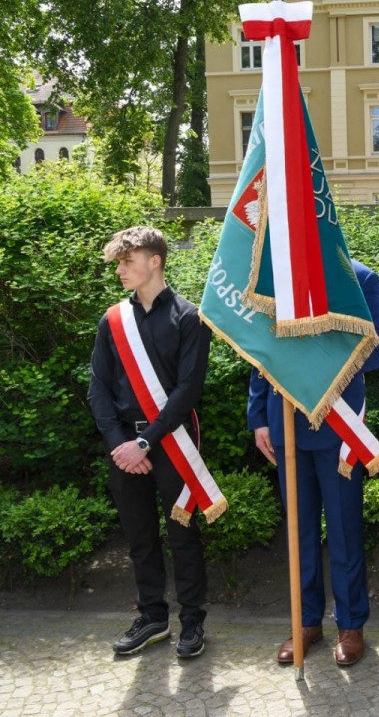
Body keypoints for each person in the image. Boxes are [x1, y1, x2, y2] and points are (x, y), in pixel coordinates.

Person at [247, 260, 379, 667]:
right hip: (285, 422)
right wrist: (259, 416)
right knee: (299, 530)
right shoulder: (275, 277)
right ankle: (305, 621)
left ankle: (351, 624)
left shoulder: (359, 278)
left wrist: (316, 357)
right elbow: (261, 351)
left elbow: (375, 351)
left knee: (344, 528)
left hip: (336, 426)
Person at [88, 226, 213, 658]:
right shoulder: (112, 320)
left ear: (155, 261)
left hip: (173, 440)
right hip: (124, 446)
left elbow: (187, 391)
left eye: (128, 261)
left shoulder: (189, 317)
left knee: (183, 534)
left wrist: (146, 442)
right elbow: (98, 388)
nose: (120, 270)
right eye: (119, 263)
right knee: (139, 537)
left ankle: (192, 621)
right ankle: (153, 618)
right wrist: (122, 444)